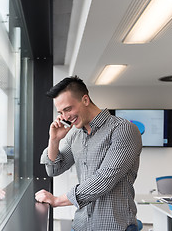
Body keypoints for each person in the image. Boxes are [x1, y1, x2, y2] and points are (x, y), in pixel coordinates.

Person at [34, 76, 142, 231]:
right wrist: (54, 140)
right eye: (60, 112)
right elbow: (53, 169)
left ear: (85, 100)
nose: (65, 117)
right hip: (81, 225)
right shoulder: (75, 135)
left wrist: (57, 200)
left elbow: (104, 179)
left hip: (115, 227)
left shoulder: (123, 129)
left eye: (68, 109)